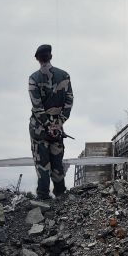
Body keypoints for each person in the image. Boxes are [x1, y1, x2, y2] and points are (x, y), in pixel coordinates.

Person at [28, 44, 74, 200]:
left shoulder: (34, 78)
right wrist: (58, 123)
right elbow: (69, 102)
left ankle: (43, 197)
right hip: (57, 129)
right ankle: (60, 194)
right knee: (57, 162)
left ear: (37, 59)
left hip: (39, 130)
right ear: (51, 57)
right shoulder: (65, 76)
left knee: (42, 164)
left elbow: (37, 107)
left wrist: (47, 125)